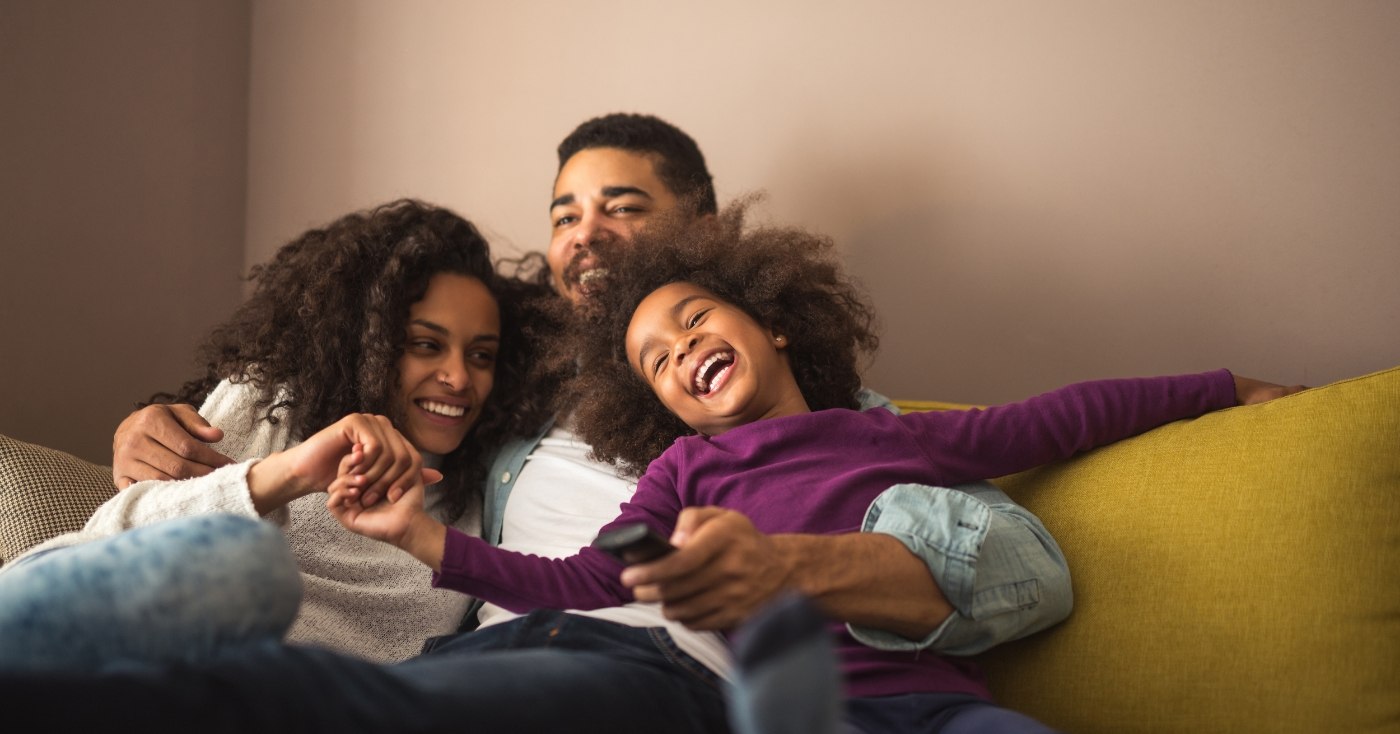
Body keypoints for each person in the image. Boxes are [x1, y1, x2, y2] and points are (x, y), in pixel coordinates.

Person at [114, 113, 1076, 658]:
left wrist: (788, 566)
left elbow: (1025, 573)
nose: (585, 232)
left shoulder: (778, 404)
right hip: (486, 662)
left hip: (672, 672)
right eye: (564, 212)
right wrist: (161, 428)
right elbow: (331, 387)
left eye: (623, 207)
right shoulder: (492, 379)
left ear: (701, 233)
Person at [324, 203, 1304, 732]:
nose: (679, 353)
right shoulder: (681, 481)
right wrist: (426, 540)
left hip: (942, 709)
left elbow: (1063, 416)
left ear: (774, 318)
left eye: (693, 321)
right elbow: (575, 582)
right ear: (655, 407)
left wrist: (1221, 386)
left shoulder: (883, 434)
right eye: (654, 362)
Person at [0, 198, 549, 667]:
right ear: (370, 342)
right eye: (426, 345)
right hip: (87, 621)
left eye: (481, 355)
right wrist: (292, 473)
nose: (458, 378)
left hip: (246, 695)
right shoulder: (272, 405)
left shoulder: (470, 510)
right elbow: (114, 534)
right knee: (251, 564)